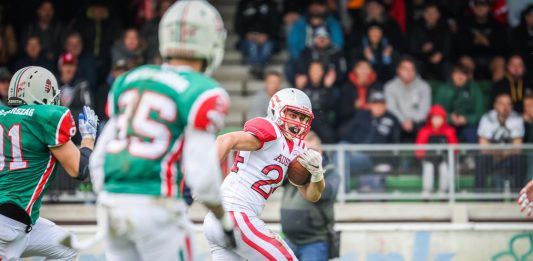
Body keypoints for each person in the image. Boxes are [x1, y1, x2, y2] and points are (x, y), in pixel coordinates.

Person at [88, 1, 237, 260]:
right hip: (157, 207)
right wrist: (224, 220)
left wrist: (110, 198)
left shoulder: (131, 79)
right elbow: (202, 174)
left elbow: (100, 157)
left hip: (112, 204)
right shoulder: (202, 90)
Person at [203, 88, 325, 260]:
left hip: (220, 218)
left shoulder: (298, 148)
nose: (298, 122)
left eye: (302, 118)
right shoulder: (270, 129)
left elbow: (312, 195)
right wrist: (206, 178)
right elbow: (225, 140)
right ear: (276, 110)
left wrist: (318, 174)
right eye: (293, 115)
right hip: (236, 214)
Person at [0, 66, 98, 260]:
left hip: (22, 222)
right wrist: (88, 139)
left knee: (68, 247)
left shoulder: (5, 115)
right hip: (6, 227)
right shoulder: (43, 117)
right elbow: (80, 169)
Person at [280, 131, 340, 261]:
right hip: (289, 239)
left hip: (315, 242)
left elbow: (325, 193)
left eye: (312, 151)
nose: (308, 157)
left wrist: (314, 173)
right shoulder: (293, 170)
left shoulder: (331, 171)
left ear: (321, 151)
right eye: (304, 152)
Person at [476, 93, 526, 190]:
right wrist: (498, 153)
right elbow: (483, 146)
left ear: (512, 106)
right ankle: (479, 196)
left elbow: (517, 147)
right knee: (481, 159)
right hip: (492, 156)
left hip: (510, 156)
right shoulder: (487, 118)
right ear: (495, 105)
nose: (505, 107)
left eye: (508, 104)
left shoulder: (517, 118)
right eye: (501, 104)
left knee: (519, 159)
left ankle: (518, 194)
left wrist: (503, 153)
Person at [384, 57, 431, 142]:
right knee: (391, 125)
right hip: (398, 120)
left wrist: (412, 121)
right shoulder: (390, 86)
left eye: (411, 69)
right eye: (405, 69)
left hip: (417, 121)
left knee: (423, 128)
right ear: (398, 71)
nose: (408, 72)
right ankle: (394, 154)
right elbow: (391, 108)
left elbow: (424, 108)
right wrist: (403, 120)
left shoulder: (424, 86)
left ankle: (421, 155)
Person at [435, 64, 485, 143]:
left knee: (473, 133)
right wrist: (450, 117)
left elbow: (480, 112)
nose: (460, 77)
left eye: (463, 74)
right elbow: (436, 111)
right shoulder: (443, 89)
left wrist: (467, 119)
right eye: (456, 74)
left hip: (469, 124)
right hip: (447, 123)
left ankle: (471, 156)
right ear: (452, 75)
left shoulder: (475, 89)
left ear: (467, 76)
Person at [415, 105, 458, 193]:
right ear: (430, 119)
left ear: (444, 119)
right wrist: (424, 157)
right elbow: (419, 151)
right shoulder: (424, 131)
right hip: (428, 160)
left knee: (444, 168)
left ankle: (443, 191)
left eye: (440, 118)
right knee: (428, 168)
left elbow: (455, 150)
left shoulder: (449, 131)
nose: (437, 121)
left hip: (444, 159)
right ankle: (427, 191)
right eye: (434, 118)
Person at [234, 0, 280, 79]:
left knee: (267, 47)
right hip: (247, 39)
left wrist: (267, 36)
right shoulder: (243, 4)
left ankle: (257, 68)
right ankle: (259, 68)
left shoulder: (271, 5)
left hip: (268, 38)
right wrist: (247, 35)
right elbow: (237, 25)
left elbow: (276, 25)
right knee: (253, 46)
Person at [297, 62, 339, 143]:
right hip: (305, 122)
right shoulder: (303, 87)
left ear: (323, 72)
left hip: (323, 122)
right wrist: (299, 89)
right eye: (313, 70)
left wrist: (328, 89)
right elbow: (296, 106)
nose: (315, 73)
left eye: (318, 70)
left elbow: (333, 106)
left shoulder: (329, 88)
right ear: (309, 72)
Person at [408, 3, 451, 81]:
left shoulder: (444, 28)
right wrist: (422, 50)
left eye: (434, 13)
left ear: (438, 15)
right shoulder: (416, 28)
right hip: (422, 59)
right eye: (428, 13)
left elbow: (448, 46)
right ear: (424, 14)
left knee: (447, 65)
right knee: (415, 64)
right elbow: (411, 48)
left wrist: (441, 54)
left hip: (440, 60)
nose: (431, 15)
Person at [57, 52, 93, 144]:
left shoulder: (82, 84)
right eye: (66, 65)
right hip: (57, 123)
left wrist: (70, 116)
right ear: (60, 66)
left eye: (71, 65)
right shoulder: (53, 84)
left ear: (76, 67)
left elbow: (89, 109)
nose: (69, 68)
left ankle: (83, 154)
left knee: (86, 120)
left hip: (77, 125)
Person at [338, 60, 382, 127]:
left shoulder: (377, 86)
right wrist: (354, 107)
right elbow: (342, 111)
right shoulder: (347, 87)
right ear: (355, 70)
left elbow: (382, 107)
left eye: (367, 68)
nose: (364, 71)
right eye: (361, 68)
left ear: (371, 70)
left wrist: (372, 107)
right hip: (351, 120)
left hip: (373, 120)